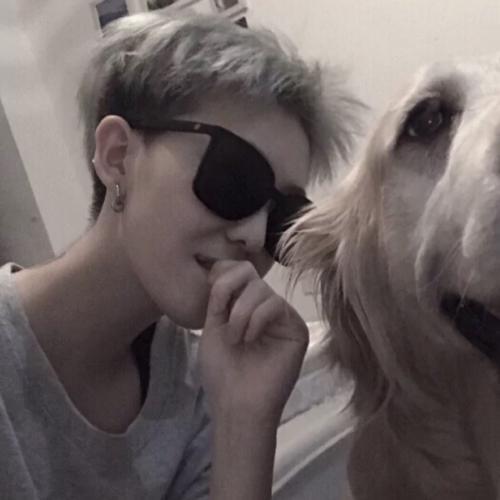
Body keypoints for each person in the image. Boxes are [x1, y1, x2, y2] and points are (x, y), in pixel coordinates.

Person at [0, 10, 358, 500]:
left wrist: (245, 420)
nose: (254, 236)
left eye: (282, 217)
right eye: (233, 178)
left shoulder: (196, 384)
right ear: (117, 156)